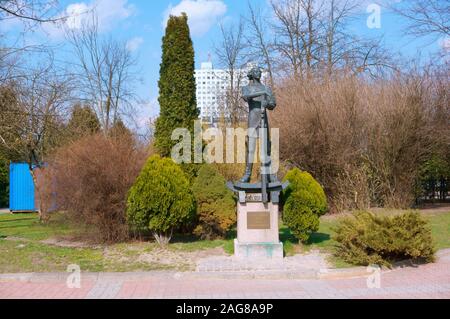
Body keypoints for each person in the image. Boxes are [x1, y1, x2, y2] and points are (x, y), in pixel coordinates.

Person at [240, 66, 277, 183]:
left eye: (259, 71)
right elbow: (246, 97)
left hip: (263, 119)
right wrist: (262, 92)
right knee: (250, 149)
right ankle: (247, 174)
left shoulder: (267, 88)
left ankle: (267, 174)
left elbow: (273, 104)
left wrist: (268, 103)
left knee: (265, 150)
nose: (258, 73)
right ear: (251, 74)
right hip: (253, 120)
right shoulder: (247, 88)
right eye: (256, 71)